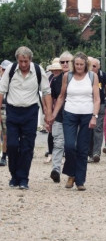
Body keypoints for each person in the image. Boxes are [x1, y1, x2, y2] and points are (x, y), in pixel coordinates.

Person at [0, 46, 52, 189]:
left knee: (27, 147)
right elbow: (1, 91)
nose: (23, 64)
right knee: (12, 144)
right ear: (17, 60)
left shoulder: (37, 70)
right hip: (12, 111)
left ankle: (23, 178)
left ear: (30, 60)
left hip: (30, 112)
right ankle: (14, 175)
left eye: (26, 61)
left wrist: (48, 113)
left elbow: (46, 92)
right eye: (21, 61)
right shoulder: (10, 70)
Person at [51, 52, 100, 191]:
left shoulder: (92, 76)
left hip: (87, 114)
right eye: (77, 64)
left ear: (86, 65)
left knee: (83, 149)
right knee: (69, 146)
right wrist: (54, 114)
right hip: (70, 113)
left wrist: (94, 116)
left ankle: (80, 180)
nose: (79, 67)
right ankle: (71, 174)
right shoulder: (68, 76)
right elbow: (61, 96)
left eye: (81, 64)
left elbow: (97, 98)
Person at [49, 51, 73, 183]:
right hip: (59, 116)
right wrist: (50, 116)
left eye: (67, 62)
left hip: (75, 117)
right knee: (58, 143)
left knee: (71, 146)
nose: (64, 64)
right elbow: (52, 99)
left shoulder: (78, 79)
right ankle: (56, 169)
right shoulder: (55, 80)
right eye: (62, 62)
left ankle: (71, 171)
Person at [88, 58, 106, 162]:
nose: (92, 68)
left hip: (100, 104)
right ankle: (89, 153)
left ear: (98, 66)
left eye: (94, 66)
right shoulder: (86, 76)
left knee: (98, 129)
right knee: (88, 129)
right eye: (90, 66)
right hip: (88, 105)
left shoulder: (103, 75)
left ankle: (96, 152)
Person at [44, 59, 63, 164]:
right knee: (51, 132)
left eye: (57, 70)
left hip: (60, 108)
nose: (55, 72)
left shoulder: (62, 79)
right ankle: (51, 152)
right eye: (54, 70)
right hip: (52, 107)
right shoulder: (49, 79)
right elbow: (46, 94)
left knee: (59, 133)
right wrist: (46, 109)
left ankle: (59, 154)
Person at [0, 60, 13, 166]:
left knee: (5, 135)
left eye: (6, 69)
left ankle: (4, 156)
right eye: (3, 69)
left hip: (7, 109)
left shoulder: (11, 81)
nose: (4, 71)